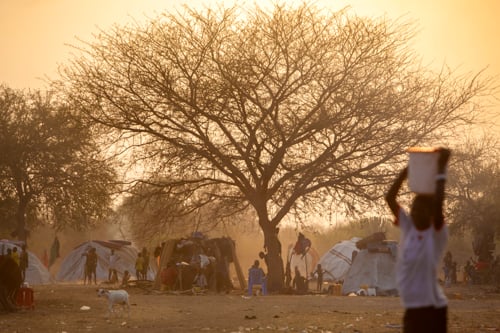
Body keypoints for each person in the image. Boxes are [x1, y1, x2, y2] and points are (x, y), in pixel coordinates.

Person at [385, 147, 450, 333]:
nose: (416, 213)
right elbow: (390, 198)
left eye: (421, 211)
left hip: (433, 310)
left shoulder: (436, 233)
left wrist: (441, 168)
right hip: (413, 308)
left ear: (431, 215)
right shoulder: (408, 227)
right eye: (414, 210)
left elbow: (438, 204)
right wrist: (407, 171)